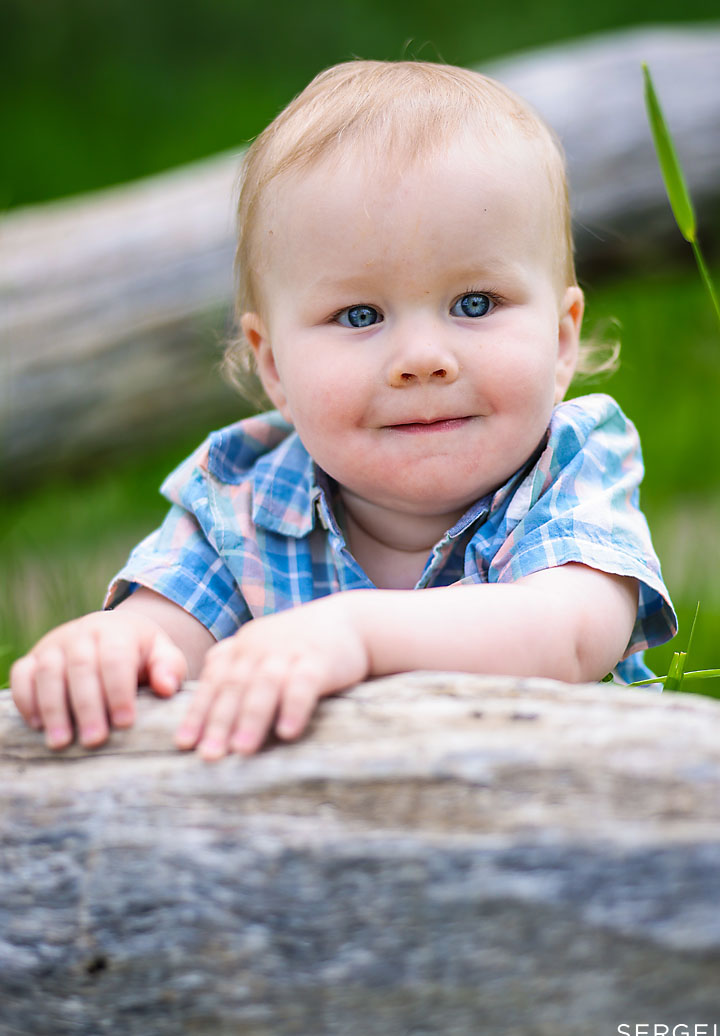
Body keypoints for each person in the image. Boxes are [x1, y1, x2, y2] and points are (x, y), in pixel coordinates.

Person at [10, 60, 677, 760]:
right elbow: (164, 636)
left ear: (562, 337)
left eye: (474, 304)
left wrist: (357, 636)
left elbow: (565, 636)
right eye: (360, 314)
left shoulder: (572, 466)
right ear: (274, 366)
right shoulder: (241, 499)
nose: (423, 357)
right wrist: (107, 649)